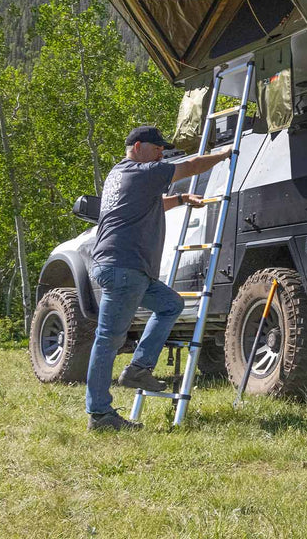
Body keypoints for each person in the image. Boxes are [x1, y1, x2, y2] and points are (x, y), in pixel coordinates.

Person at [86, 125, 232, 431]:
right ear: (138, 146)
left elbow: (145, 206)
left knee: (170, 304)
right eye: (157, 149)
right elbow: (190, 166)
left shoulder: (119, 174)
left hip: (123, 268)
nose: (161, 155)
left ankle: (139, 367)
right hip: (125, 267)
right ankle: (99, 413)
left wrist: (179, 200)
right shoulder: (145, 172)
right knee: (107, 341)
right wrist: (224, 154)